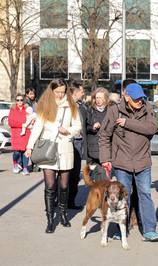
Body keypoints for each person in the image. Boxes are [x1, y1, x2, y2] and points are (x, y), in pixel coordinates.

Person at [99, 83, 158, 242]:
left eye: (141, 98)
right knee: (122, 197)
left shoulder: (147, 107)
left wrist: (127, 122)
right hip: (122, 162)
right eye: (136, 99)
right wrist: (105, 159)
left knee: (145, 194)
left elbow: (151, 128)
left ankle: (149, 230)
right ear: (126, 98)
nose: (139, 101)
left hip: (142, 161)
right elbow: (104, 136)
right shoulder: (114, 111)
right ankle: (121, 229)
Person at [25, 79, 82, 233]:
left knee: (64, 185)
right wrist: (29, 147)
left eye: (63, 92)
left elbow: (78, 126)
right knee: (50, 186)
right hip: (47, 149)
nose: (60, 95)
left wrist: (68, 130)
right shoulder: (44, 105)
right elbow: (37, 128)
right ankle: (50, 220)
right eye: (57, 92)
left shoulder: (72, 106)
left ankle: (63, 214)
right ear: (52, 91)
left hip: (65, 148)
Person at [67, 80, 87, 210]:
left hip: (79, 142)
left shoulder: (80, 105)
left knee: (74, 174)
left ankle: (70, 201)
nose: (83, 93)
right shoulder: (66, 105)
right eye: (81, 91)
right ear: (75, 92)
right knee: (66, 173)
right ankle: (62, 200)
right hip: (69, 142)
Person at [85, 87, 110, 180]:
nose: (98, 100)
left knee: (105, 176)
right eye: (96, 97)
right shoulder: (90, 110)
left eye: (101, 98)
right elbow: (86, 127)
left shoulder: (110, 110)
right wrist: (93, 127)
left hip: (106, 148)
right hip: (93, 148)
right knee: (99, 176)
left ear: (106, 99)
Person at [9, 94, 31, 175]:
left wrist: (31, 123)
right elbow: (11, 122)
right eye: (17, 100)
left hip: (26, 133)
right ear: (15, 101)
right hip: (16, 134)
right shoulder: (13, 110)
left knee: (26, 152)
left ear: (24, 100)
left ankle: (25, 168)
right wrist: (22, 124)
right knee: (17, 152)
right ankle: (15, 163)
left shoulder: (28, 110)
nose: (19, 102)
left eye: (21, 100)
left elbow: (32, 119)